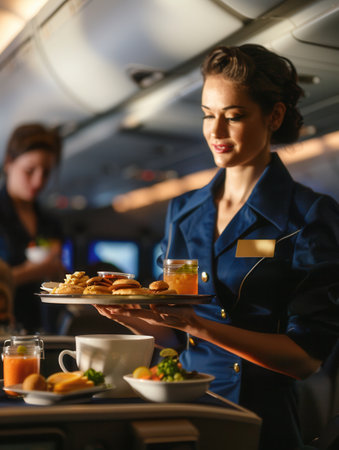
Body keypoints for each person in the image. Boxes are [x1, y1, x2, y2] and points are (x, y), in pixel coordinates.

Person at [95, 44, 339, 450]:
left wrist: (198, 325)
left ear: (273, 116)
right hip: (185, 412)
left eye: (234, 116)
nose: (216, 131)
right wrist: (131, 316)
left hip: (262, 424)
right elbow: (176, 336)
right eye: (208, 115)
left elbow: (305, 359)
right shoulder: (184, 211)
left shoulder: (308, 217)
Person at [0, 123, 66, 334]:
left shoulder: (50, 223)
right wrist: (31, 272)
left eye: (45, 173)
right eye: (29, 171)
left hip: (44, 331)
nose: (38, 181)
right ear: (9, 163)